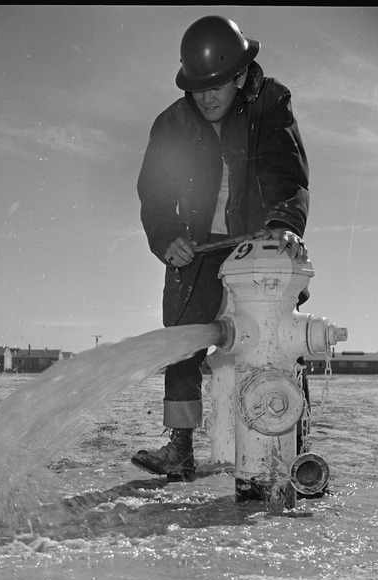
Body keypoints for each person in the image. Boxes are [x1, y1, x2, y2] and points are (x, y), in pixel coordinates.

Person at [131, 15, 310, 481]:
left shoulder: (270, 102)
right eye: (197, 87)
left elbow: (286, 171)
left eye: (217, 86)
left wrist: (284, 224)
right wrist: (167, 237)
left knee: (279, 339)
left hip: (259, 241)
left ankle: (295, 444)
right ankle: (180, 446)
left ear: (238, 75)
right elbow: (154, 194)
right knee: (181, 341)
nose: (206, 97)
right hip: (198, 250)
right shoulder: (171, 123)